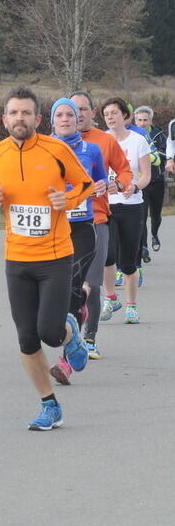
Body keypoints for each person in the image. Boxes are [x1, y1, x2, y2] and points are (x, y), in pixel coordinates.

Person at [0, 87, 92, 431]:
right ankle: (49, 405)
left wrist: (67, 201)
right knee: (27, 339)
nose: (19, 118)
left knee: (49, 331)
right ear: (4, 119)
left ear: (37, 119)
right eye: (13, 113)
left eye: (26, 113)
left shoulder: (56, 149)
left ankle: (69, 331)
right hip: (16, 258)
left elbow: (86, 185)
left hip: (55, 256)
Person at [45, 98, 106, 386]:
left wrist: (103, 186)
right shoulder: (43, 148)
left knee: (70, 286)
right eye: (61, 114)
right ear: (52, 120)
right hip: (52, 229)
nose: (67, 118)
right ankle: (78, 316)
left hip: (82, 229)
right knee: (56, 293)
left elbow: (101, 181)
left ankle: (66, 362)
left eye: (72, 113)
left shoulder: (91, 150)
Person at [69, 91, 133, 359]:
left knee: (90, 284)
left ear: (92, 113)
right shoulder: (53, 144)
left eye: (83, 109)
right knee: (68, 284)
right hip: (64, 223)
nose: (78, 115)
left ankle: (90, 338)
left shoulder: (104, 141)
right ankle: (69, 336)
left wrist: (115, 184)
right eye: (73, 111)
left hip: (97, 219)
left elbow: (126, 172)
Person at [100, 97, 151, 324]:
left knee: (128, 260)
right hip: (106, 205)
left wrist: (134, 186)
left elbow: (146, 175)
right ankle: (110, 298)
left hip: (132, 206)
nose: (110, 117)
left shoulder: (138, 141)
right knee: (106, 255)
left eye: (114, 113)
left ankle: (131, 305)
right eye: (106, 114)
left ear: (125, 116)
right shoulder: (100, 140)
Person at [133, 106, 166, 258]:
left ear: (150, 121)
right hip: (141, 183)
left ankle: (155, 233)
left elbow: (164, 156)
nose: (142, 123)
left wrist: (149, 155)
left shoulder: (159, 135)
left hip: (157, 181)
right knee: (141, 216)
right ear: (135, 120)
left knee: (156, 215)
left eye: (145, 120)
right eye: (139, 120)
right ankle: (144, 247)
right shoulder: (131, 135)